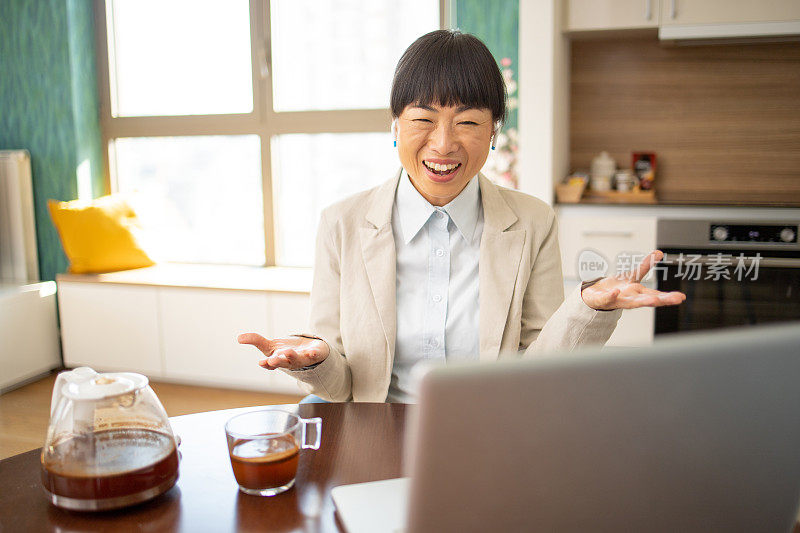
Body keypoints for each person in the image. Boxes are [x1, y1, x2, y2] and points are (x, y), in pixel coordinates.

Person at [238, 30, 685, 403]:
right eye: (423, 120)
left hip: (489, 428)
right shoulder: (343, 223)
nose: (443, 145)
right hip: (378, 427)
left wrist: (588, 309)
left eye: (468, 123)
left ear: (494, 131)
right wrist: (316, 360)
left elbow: (539, 369)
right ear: (395, 126)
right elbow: (340, 386)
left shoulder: (532, 222)